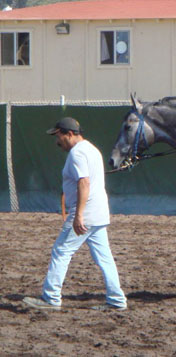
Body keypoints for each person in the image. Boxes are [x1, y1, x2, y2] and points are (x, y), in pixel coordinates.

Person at [23, 117, 127, 311]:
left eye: (59, 136)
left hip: (86, 212)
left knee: (61, 251)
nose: (57, 141)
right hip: (98, 212)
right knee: (104, 257)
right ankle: (116, 299)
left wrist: (78, 215)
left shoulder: (77, 154)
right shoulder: (92, 149)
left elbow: (84, 182)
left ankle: (51, 298)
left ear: (69, 134)